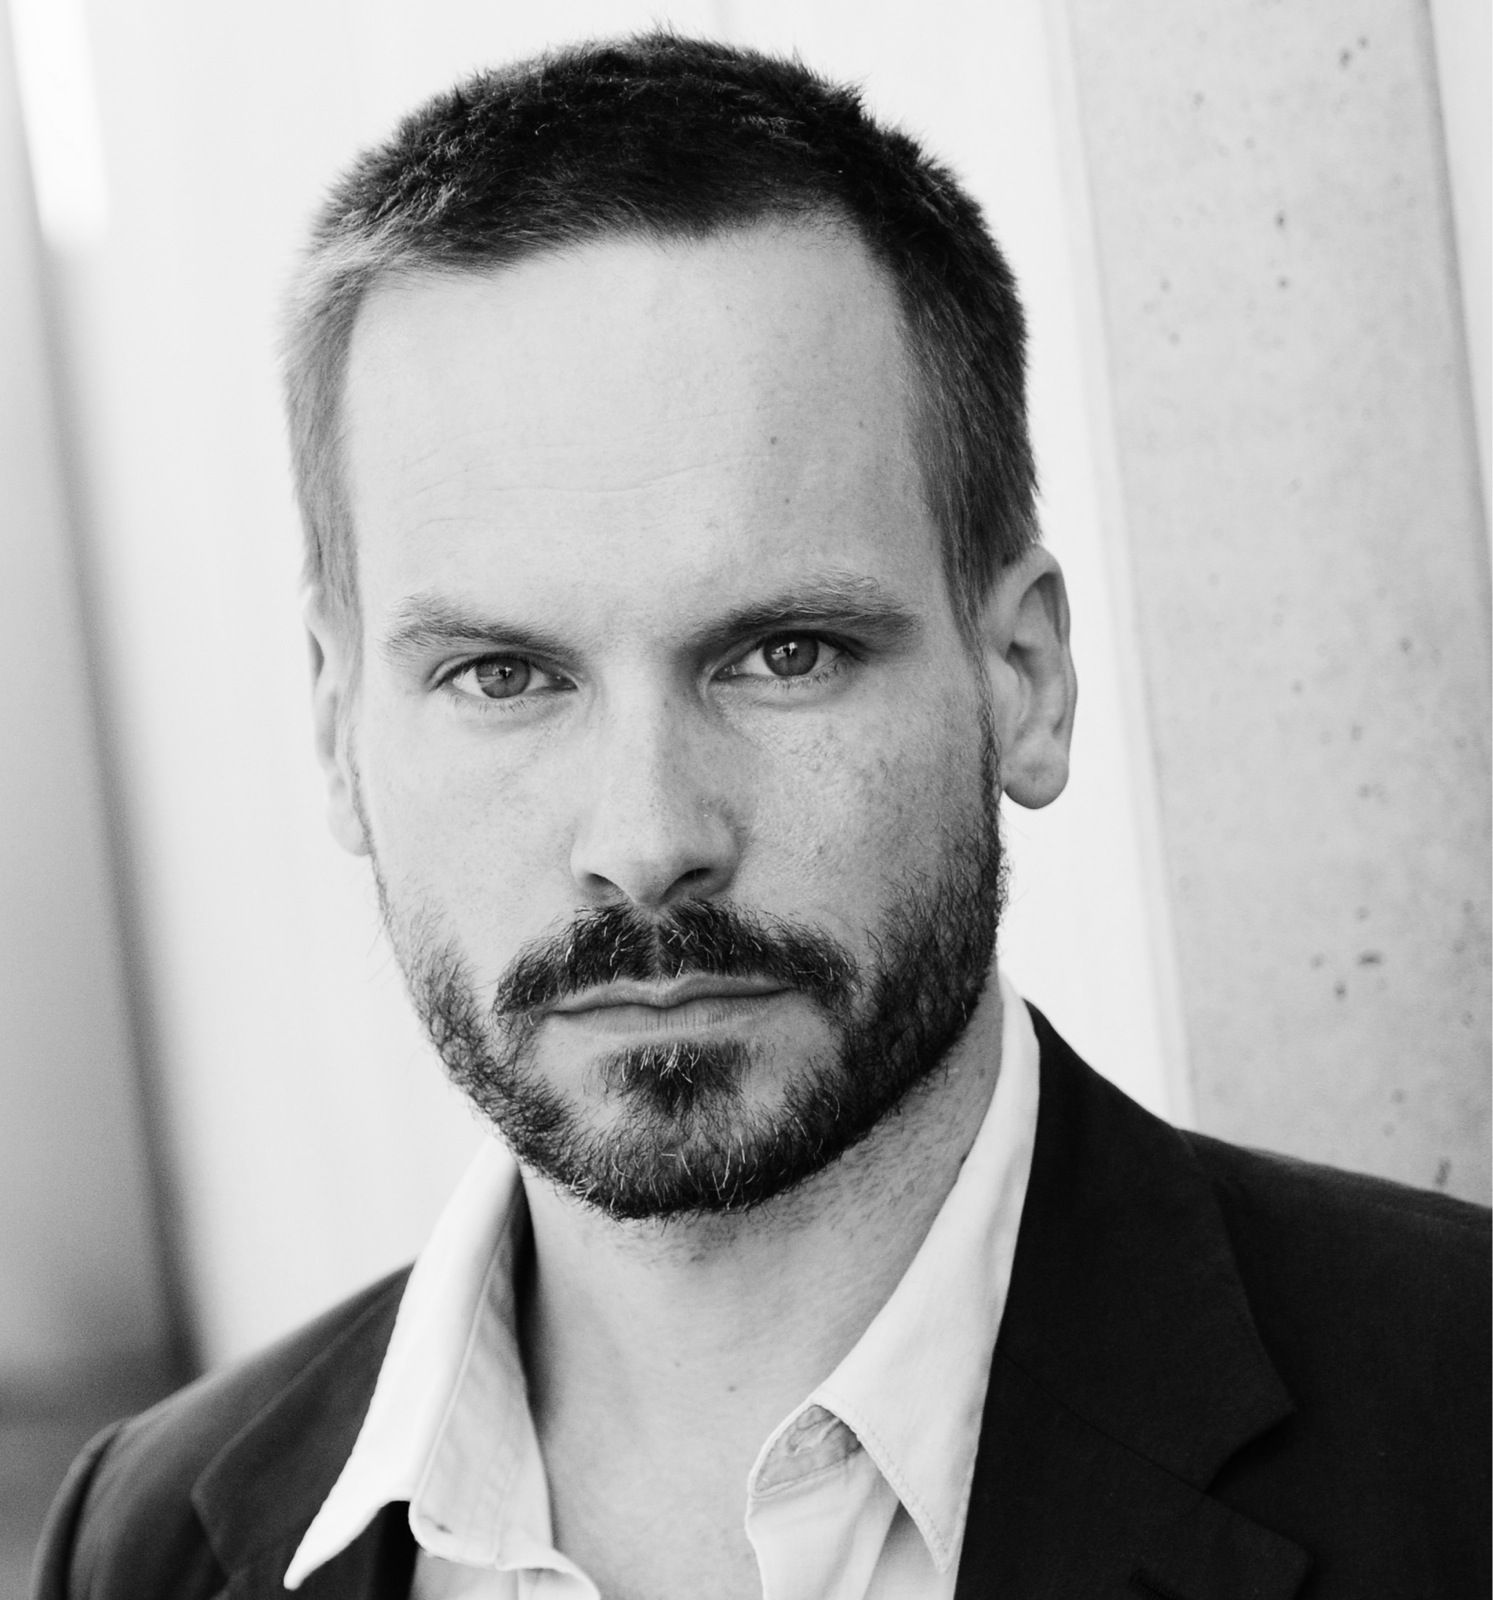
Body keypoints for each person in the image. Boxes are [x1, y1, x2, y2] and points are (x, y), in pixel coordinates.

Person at [34, 31, 1488, 1600]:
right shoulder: (145, 1544)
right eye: (502, 676)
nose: (646, 839)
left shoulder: (1461, 1426)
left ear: (1021, 678)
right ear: (338, 731)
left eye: (782, 655)